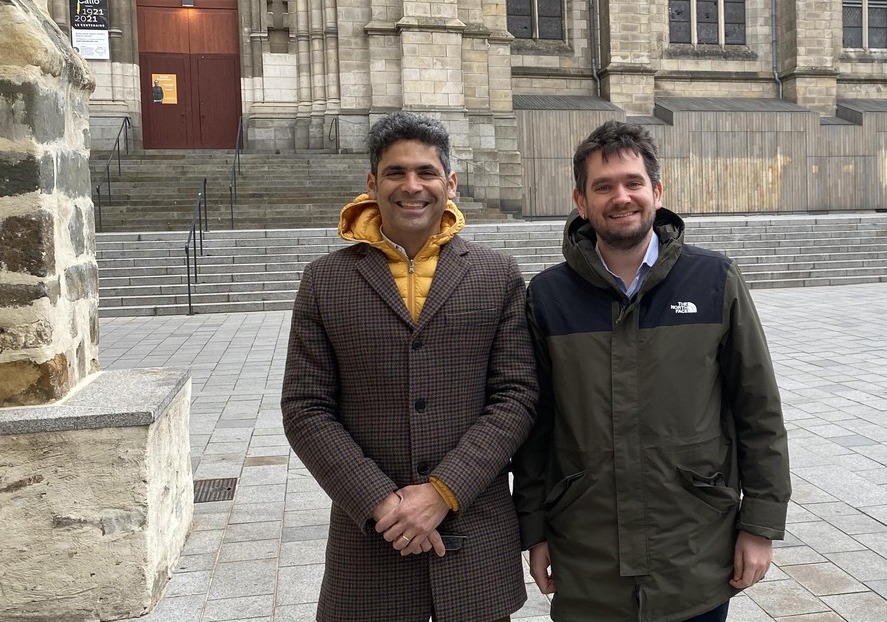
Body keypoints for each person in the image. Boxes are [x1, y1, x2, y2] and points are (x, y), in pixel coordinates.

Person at [511, 120, 791, 622]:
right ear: (581, 201)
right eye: (604, 186)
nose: (621, 197)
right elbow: (535, 427)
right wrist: (534, 530)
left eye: (633, 183)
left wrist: (760, 524)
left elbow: (758, 411)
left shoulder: (714, 280)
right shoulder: (548, 297)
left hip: (694, 551)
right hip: (587, 555)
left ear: (657, 192)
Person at [281, 111, 538, 622]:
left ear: (451, 183)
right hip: (373, 547)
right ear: (372, 184)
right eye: (396, 173)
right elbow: (305, 408)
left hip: (473, 543)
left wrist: (444, 491)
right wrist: (381, 502)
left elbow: (516, 396)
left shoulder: (496, 274)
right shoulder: (325, 281)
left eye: (426, 172)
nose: (412, 186)